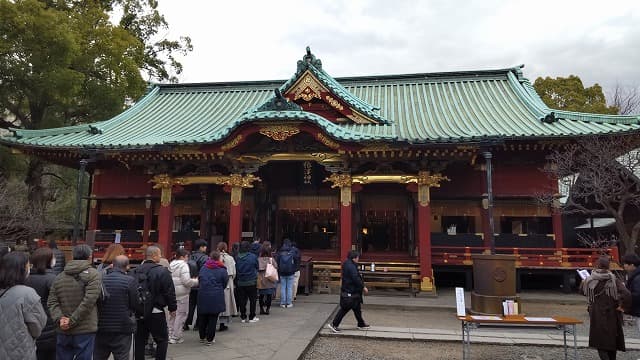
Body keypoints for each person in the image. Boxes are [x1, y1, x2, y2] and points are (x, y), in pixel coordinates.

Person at [48, 244, 102, 360]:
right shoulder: (93, 275)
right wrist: (72, 320)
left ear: (73, 256)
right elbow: (89, 301)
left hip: (63, 329)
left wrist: (60, 319)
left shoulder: (59, 276)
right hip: (85, 328)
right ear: (90, 257)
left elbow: (52, 301)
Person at [581, 255, 631, 360]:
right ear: (608, 266)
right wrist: (622, 307)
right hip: (612, 313)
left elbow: (582, 292)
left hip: (597, 314)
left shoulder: (590, 279)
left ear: (597, 265)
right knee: (611, 340)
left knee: (600, 342)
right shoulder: (613, 279)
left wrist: (584, 282)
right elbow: (626, 294)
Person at [0, 251, 48, 360]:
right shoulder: (27, 293)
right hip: (19, 351)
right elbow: (37, 328)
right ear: (21, 269)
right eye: (28, 266)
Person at [133, 245, 177, 360]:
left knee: (140, 340)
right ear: (154, 255)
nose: (161, 256)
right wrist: (173, 308)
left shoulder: (135, 271)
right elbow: (169, 292)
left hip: (139, 310)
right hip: (156, 310)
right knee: (162, 340)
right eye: (159, 254)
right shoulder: (162, 271)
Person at [94, 255, 139, 360]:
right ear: (127, 266)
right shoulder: (130, 281)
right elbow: (135, 303)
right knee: (122, 356)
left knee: (99, 356)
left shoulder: (100, 279)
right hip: (123, 327)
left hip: (102, 325)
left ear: (112, 265)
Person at [25, 247, 57, 360]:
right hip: (49, 325)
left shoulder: (26, 278)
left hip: (29, 324)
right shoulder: (52, 279)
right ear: (47, 260)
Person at [327, 250, 370, 333]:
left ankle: (361, 323)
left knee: (357, 308)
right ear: (354, 258)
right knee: (345, 308)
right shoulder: (351, 266)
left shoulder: (347, 263)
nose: (358, 259)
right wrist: (363, 287)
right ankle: (334, 324)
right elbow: (355, 278)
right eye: (357, 257)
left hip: (351, 290)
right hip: (350, 290)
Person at [197, 250, 228, 346]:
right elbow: (224, 283)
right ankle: (210, 339)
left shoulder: (203, 268)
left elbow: (200, 279)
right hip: (216, 295)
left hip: (203, 294)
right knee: (213, 318)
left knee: (203, 316)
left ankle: (202, 336)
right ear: (219, 258)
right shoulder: (222, 269)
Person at [168, 248, 198, 344]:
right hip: (182, 294)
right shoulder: (183, 265)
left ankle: (170, 334)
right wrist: (195, 281)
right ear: (182, 257)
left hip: (172, 293)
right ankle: (176, 336)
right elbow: (186, 281)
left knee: (172, 315)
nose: (187, 259)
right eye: (186, 257)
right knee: (181, 315)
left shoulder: (171, 264)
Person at [185, 239, 208, 331]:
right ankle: (198, 324)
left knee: (191, 304)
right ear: (201, 247)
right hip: (200, 283)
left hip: (191, 283)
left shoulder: (190, 257)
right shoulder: (204, 258)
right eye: (205, 246)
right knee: (201, 305)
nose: (206, 248)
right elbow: (205, 271)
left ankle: (186, 323)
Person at [235, 240, 259, 323]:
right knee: (253, 300)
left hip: (240, 281)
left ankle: (243, 316)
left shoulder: (237, 257)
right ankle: (252, 316)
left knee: (242, 300)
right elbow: (257, 266)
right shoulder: (253, 256)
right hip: (251, 281)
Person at [217, 242, 237, 331]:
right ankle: (223, 323)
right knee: (226, 303)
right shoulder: (230, 258)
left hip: (217, 281)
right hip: (228, 281)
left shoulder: (215, 258)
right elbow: (234, 272)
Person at [257, 241, 278, 315]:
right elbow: (276, 266)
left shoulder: (258, 259)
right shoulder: (271, 259)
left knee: (261, 295)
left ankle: (261, 309)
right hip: (269, 279)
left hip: (261, 279)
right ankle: (268, 309)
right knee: (269, 295)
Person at [277, 239, 298, 308]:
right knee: (289, 287)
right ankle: (289, 303)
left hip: (282, 272)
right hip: (290, 271)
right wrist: (294, 269)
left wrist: (279, 270)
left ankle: (283, 303)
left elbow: (277, 261)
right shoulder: (292, 252)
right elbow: (296, 260)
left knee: (283, 287)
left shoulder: (280, 252)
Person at [622, 253, 640, 334]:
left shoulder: (637, 278)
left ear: (632, 265)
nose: (624, 266)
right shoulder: (636, 275)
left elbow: (637, 295)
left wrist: (626, 298)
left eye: (625, 264)